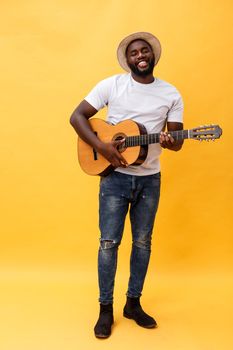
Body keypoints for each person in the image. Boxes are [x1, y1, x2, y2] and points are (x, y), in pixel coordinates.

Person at [70, 32, 184, 338]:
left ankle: (133, 303)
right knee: (109, 243)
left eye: (145, 51)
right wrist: (103, 147)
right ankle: (105, 309)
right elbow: (77, 116)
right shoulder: (112, 85)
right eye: (134, 52)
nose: (140, 55)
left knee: (143, 243)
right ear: (128, 59)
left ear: (153, 56)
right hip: (115, 179)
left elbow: (176, 144)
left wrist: (168, 139)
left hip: (150, 180)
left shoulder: (171, 94)